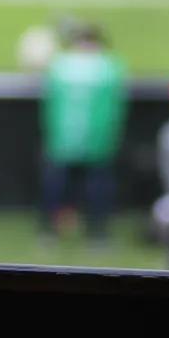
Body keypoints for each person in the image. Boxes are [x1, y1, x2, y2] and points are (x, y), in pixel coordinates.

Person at [37, 19, 127, 240]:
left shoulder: (60, 66)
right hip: (98, 140)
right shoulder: (110, 67)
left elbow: (49, 104)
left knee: (56, 187)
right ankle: (97, 234)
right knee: (97, 188)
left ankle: (49, 232)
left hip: (63, 140)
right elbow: (116, 108)